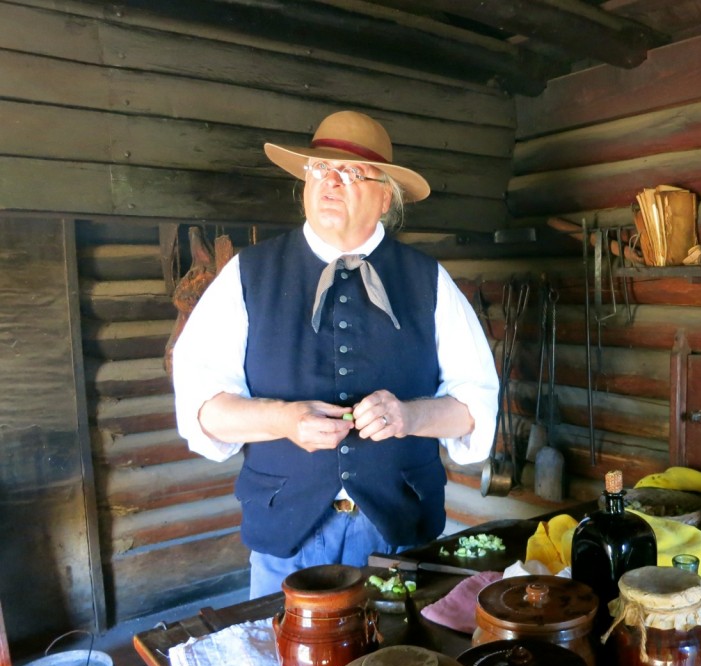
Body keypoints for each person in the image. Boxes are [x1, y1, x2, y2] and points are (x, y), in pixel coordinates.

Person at [172, 111, 499, 598]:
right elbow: (203, 412)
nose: (330, 182)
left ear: (384, 196)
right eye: (319, 170)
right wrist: (284, 420)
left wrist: (407, 415)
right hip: (287, 534)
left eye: (349, 173)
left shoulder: (428, 280)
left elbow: (474, 410)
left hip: (398, 533)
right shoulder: (248, 275)